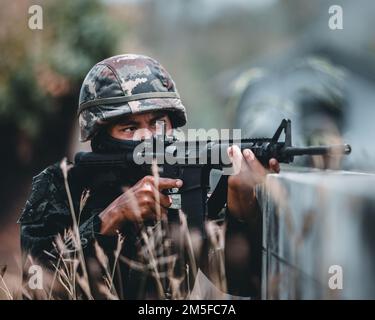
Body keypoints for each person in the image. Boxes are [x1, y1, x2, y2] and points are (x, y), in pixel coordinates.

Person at [19, 54, 280, 299]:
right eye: (130, 127)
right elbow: (40, 286)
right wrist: (110, 219)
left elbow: (241, 281)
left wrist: (242, 213)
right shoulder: (60, 185)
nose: (147, 137)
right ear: (100, 137)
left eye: (158, 123)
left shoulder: (183, 183)